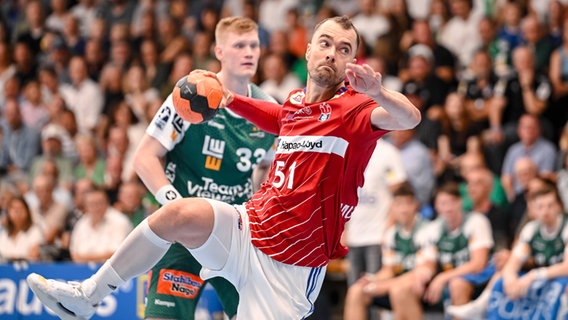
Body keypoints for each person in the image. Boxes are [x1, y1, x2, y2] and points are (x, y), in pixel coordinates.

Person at [26, 15, 421, 319]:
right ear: (309, 52)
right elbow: (279, 117)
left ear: (352, 61)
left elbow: (409, 119)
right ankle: (87, 297)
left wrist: (378, 91)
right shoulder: (297, 102)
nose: (333, 53)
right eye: (326, 43)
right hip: (249, 229)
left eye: (345, 49)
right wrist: (231, 98)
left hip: (289, 270)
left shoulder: (356, 108)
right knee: (179, 211)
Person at [134, 17, 277, 320]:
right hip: (183, 232)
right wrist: (177, 208)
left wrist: (259, 201)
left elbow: (266, 165)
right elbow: (144, 157)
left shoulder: (267, 108)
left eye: (254, 45)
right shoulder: (189, 95)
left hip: (233, 235)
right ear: (219, 51)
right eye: (240, 45)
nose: (249, 52)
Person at [343, 183, 427, 319]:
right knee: (356, 290)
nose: (404, 209)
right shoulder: (391, 234)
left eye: (407, 204)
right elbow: (389, 270)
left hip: (422, 286)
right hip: (396, 283)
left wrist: (386, 285)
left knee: (399, 290)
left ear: (415, 205)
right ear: (393, 207)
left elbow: (426, 270)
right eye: (399, 204)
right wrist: (372, 279)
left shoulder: (427, 230)